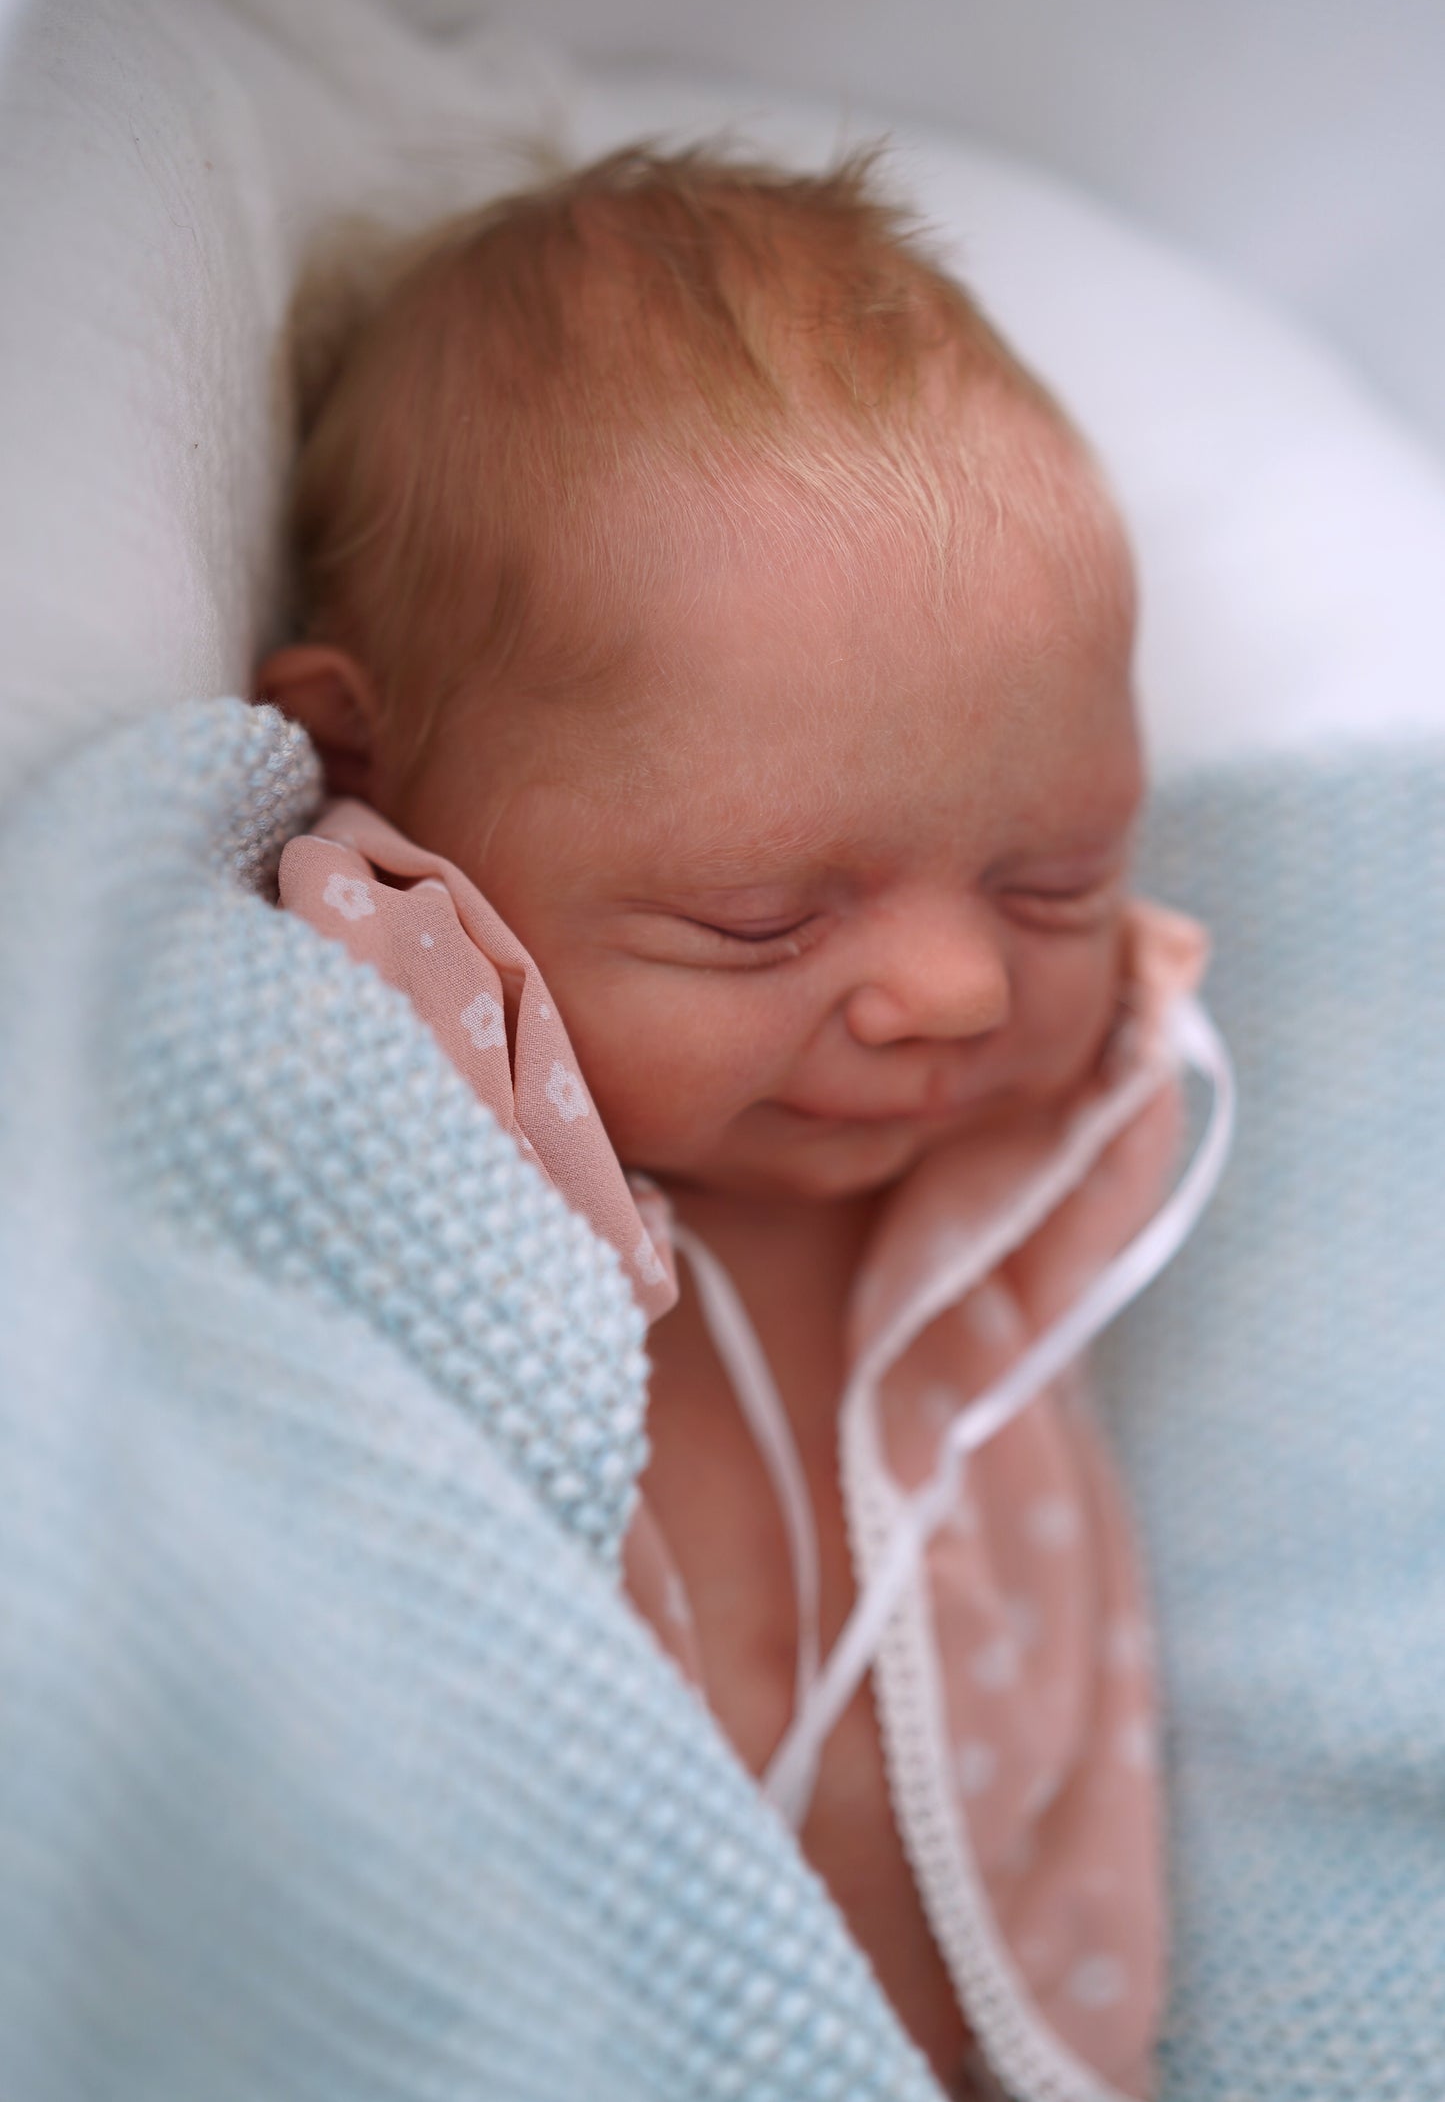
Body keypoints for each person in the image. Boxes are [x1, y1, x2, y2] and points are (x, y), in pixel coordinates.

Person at [259, 144, 1212, 2102]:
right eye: (765, 914)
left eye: (1052, 879)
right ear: (376, 767)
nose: (956, 991)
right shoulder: (401, 1101)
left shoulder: (1040, 1161)